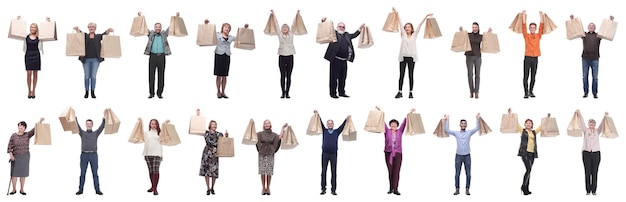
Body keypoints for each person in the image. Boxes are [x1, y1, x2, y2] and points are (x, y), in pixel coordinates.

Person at [570, 15, 615, 99]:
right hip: (585, 59)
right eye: (590, 26)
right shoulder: (584, 35)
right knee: (585, 76)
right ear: (588, 27)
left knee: (595, 77)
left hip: (595, 59)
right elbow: (576, 29)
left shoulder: (598, 35)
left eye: (593, 26)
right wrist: (572, 20)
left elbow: (606, 30)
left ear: (595, 28)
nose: (591, 27)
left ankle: (594, 93)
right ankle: (586, 93)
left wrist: (610, 21)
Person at [392, 7, 432, 99]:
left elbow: (420, 25)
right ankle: (400, 92)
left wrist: (426, 16)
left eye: (408, 27)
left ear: (411, 28)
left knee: (411, 75)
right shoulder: (403, 35)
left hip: (411, 58)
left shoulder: (414, 35)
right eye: (405, 27)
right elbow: (400, 22)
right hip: (403, 57)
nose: (406, 28)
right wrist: (396, 12)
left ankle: (410, 92)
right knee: (401, 75)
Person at [321, 17, 365, 99]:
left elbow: (354, 35)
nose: (342, 28)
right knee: (333, 78)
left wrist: (360, 28)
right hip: (335, 60)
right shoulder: (333, 34)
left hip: (344, 61)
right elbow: (326, 30)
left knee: (343, 77)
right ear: (337, 28)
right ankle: (333, 93)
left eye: (343, 27)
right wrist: (323, 22)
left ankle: (341, 92)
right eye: (340, 26)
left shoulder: (347, 35)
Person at [375, 106, 414, 195]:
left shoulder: (400, 131)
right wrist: (380, 111)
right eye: (392, 124)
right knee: (390, 171)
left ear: (397, 126)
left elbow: (405, 122)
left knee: (396, 171)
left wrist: (409, 113)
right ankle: (391, 188)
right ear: (390, 125)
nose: (393, 125)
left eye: (395, 124)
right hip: (388, 153)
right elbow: (382, 122)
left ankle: (395, 189)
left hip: (398, 154)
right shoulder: (386, 131)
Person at [142, 11, 179, 99]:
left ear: (161, 28)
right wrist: (140, 16)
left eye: (159, 27)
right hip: (152, 56)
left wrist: (176, 17)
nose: (158, 28)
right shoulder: (150, 33)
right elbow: (144, 27)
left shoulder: (164, 34)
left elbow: (171, 27)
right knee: (151, 75)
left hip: (162, 57)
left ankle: (159, 93)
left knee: (161, 75)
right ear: (154, 28)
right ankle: (151, 93)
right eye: (156, 27)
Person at [73, 24, 114, 99]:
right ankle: (86, 91)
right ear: (88, 28)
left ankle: (92, 91)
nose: (91, 28)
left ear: (95, 28)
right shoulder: (85, 36)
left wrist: (108, 30)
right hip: (86, 59)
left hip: (95, 60)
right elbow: (80, 33)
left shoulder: (98, 36)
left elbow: (104, 35)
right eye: (90, 27)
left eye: (93, 27)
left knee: (93, 76)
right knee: (87, 76)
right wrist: (77, 30)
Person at [443, 113, 480, 195]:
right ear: (460, 125)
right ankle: (457, 189)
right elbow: (447, 130)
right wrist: (447, 119)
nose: (463, 125)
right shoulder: (456, 133)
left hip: (467, 156)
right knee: (457, 174)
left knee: (468, 174)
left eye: (464, 123)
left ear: (466, 125)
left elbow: (477, 127)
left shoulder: (469, 132)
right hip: (458, 156)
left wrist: (477, 118)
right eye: (462, 123)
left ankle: (467, 189)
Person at [314, 110, 349, 195]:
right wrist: (317, 114)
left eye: (331, 123)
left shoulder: (336, 132)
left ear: (333, 125)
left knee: (334, 172)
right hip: (325, 154)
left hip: (333, 154)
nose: (330, 124)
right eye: (328, 123)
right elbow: (320, 122)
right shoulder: (324, 131)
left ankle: (333, 190)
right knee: (323, 171)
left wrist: (346, 119)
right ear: (327, 125)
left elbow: (342, 126)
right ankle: (323, 189)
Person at [211, 20, 248, 99]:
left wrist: (245, 29)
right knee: (218, 75)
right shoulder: (217, 35)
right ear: (222, 28)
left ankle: (223, 92)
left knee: (225, 75)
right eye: (225, 27)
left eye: (228, 28)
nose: (227, 29)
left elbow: (240, 36)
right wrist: (206, 24)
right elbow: (209, 32)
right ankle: (218, 91)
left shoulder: (231, 37)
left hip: (226, 56)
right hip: (219, 55)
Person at [6, 118, 44, 195]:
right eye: (20, 125)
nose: (21, 127)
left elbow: (34, 130)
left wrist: (40, 122)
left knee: (23, 174)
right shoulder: (13, 136)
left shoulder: (27, 135)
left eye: (23, 126)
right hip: (15, 157)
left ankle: (22, 189)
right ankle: (14, 189)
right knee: (14, 174)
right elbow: (9, 146)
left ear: (25, 128)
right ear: (18, 126)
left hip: (25, 157)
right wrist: (11, 155)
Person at [75, 109, 108, 195]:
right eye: (87, 124)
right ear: (86, 125)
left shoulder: (96, 133)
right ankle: (80, 190)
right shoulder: (82, 133)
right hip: (84, 155)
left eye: (90, 124)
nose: (89, 125)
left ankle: (97, 190)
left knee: (95, 173)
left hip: (93, 155)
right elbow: (76, 126)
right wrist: (74, 116)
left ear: (92, 125)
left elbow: (102, 126)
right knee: (82, 173)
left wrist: (104, 117)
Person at [197, 109, 229, 195]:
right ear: (210, 125)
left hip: (215, 153)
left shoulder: (219, 134)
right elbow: (198, 127)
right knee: (207, 171)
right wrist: (198, 115)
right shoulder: (206, 133)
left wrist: (226, 136)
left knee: (214, 172)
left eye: (215, 124)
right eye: (212, 124)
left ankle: (212, 187)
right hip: (207, 153)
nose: (214, 125)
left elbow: (224, 143)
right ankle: (207, 188)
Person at [270, 10, 301, 99]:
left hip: (290, 56)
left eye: (286, 28)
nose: (284, 29)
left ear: (288, 29)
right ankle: (282, 92)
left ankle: (287, 92)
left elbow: (294, 24)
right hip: (282, 56)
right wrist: (273, 14)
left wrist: (297, 14)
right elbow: (276, 24)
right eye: (283, 28)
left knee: (289, 75)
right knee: (282, 75)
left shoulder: (291, 34)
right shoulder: (279, 34)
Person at [576, 109, 607, 195]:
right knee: (587, 172)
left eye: (593, 124)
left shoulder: (597, 131)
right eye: (590, 124)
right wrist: (579, 114)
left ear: (595, 125)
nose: (591, 125)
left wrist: (605, 116)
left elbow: (601, 125)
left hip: (596, 153)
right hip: (586, 153)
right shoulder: (586, 131)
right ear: (588, 124)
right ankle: (588, 190)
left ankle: (594, 190)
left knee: (595, 172)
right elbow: (581, 122)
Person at [458, 23, 492, 99]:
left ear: (478, 27)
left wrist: (489, 32)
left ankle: (476, 92)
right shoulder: (468, 35)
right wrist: (461, 30)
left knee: (477, 75)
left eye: (475, 27)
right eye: (473, 27)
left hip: (477, 57)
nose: (474, 28)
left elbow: (487, 39)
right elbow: (462, 36)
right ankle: (471, 91)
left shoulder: (481, 36)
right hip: (469, 56)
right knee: (470, 75)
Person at [138, 117, 169, 195]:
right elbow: (140, 131)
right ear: (150, 125)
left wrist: (165, 123)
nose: (153, 125)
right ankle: (152, 186)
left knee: (156, 170)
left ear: (157, 125)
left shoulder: (160, 133)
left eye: (155, 124)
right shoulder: (147, 133)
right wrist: (140, 121)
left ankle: (155, 188)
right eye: (152, 124)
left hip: (157, 154)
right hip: (148, 153)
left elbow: (166, 132)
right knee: (151, 171)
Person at [256, 120, 286, 195]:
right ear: (263, 125)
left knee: (269, 171)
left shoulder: (273, 135)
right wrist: (252, 123)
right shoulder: (259, 134)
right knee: (263, 171)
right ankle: (263, 188)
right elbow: (252, 136)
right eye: (265, 123)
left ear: (270, 125)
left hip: (270, 154)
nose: (267, 124)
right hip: (262, 153)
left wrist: (282, 128)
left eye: (268, 123)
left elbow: (279, 137)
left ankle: (268, 188)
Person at [516, 111, 543, 195]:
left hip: (532, 153)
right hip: (524, 153)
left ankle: (526, 189)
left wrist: (547, 117)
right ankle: (523, 186)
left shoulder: (534, 132)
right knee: (528, 169)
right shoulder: (522, 130)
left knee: (529, 171)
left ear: (532, 125)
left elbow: (542, 126)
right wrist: (511, 113)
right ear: (525, 125)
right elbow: (516, 123)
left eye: (530, 123)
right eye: (527, 123)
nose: (528, 124)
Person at [521, 10, 544, 99]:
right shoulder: (526, 36)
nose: (532, 29)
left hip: (535, 58)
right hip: (527, 57)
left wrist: (541, 16)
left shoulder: (538, 36)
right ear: (529, 29)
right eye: (531, 27)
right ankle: (526, 92)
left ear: (535, 29)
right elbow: (523, 26)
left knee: (533, 76)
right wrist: (523, 15)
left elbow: (542, 26)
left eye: (534, 28)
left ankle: (531, 91)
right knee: (526, 76)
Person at [23, 19, 48, 99]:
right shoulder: (25, 37)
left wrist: (47, 22)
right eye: (31, 27)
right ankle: (28, 90)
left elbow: (48, 32)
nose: (32, 29)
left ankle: (33, 90)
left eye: (34, 27)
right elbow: (17, 31)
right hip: (28, 55)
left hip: (36, 56)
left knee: (35, 74)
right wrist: (18, 20)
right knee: (29, 74)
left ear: (36, 29)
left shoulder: (39, 37)